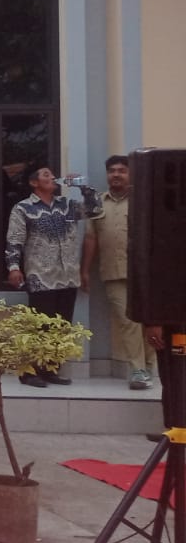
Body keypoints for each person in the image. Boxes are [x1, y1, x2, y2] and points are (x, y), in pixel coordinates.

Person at [6, 163, 99, 386]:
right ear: (34, 182)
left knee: (61, 326)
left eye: (52, 175)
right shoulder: (23, 208)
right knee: (39, 325)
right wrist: (13, 267)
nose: (53, 178)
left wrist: (84, 187)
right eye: (47, 175)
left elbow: (95, 210)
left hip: (68, 275)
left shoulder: (67, 206)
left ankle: (49, 369)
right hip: (40, 276)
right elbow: (14, 240)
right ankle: (28, 372)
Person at [83, 154, 156, 390]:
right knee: (128, 322)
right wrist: (84, 270)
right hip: (113, 272)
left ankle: (148, 366)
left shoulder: (143, 200)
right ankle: (138, 369)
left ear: (131, 174)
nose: (116, 174)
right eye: (112, 170)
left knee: (149, 321)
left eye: (121, 170)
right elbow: (91, 237)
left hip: (146, 273)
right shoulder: (97, 203)